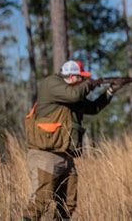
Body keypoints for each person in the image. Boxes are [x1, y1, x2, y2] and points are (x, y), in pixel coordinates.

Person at [23, 60, 124, 220]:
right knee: (40, 202)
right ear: (72, 76)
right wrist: (92, 84)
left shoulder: (70, 95)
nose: (83, 81)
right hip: (45, 156)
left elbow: (93, 108)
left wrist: (111, 90)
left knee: (68, 204)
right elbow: (74, 95)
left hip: (66, 157)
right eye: (81, 77)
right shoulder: (52, 83)